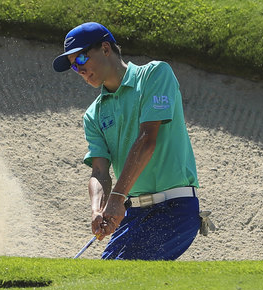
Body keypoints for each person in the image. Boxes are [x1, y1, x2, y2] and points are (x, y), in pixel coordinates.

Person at [53, 22, 200, 260]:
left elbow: (147, 140)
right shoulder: (94, 114)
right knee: (106, 277)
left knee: (117, 277)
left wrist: (117, 198)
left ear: (105, 48)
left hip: (175, 207)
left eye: (81, 59)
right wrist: (98, 209)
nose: (79, 70)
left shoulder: (155, 74)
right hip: (133, 213)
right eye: (73, 67)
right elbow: (99, 171)